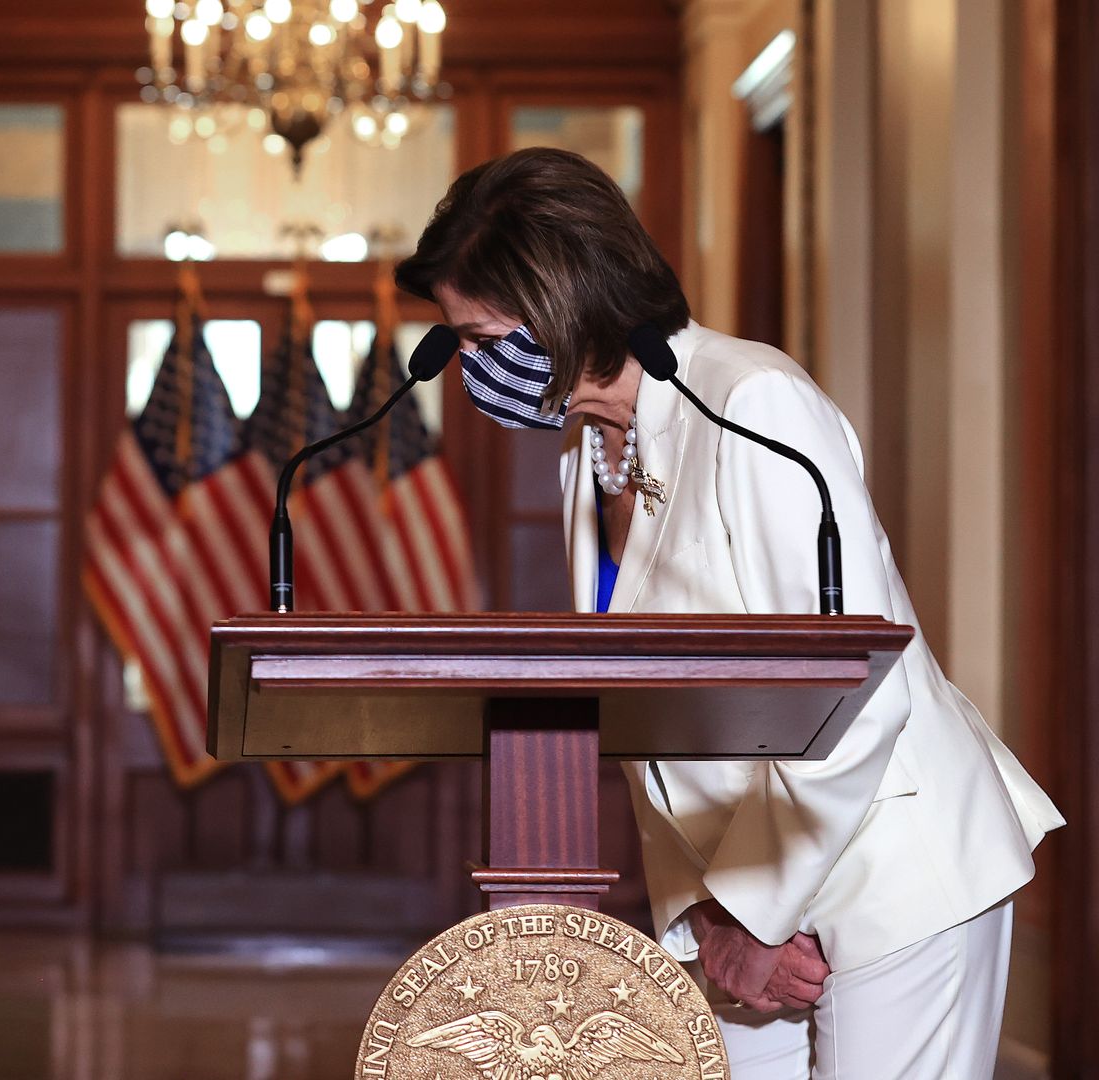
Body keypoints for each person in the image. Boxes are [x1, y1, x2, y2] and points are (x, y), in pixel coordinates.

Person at [395, 147, 1064, 1078]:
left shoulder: (755, 404)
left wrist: (753, 915)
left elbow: (856, 694)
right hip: (744, 895)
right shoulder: (584, 458)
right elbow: (653, 727)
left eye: (478, 336)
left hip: (893, 865)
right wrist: (710, 918)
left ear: (564, 300)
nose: (464, 366)